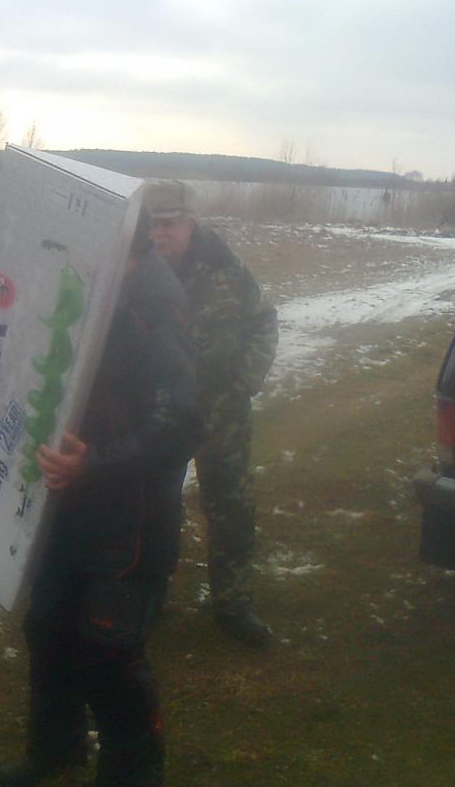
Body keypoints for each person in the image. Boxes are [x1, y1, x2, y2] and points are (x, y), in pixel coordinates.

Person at [0, 213, 201, 787]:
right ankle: (54, 750)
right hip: (65, 504)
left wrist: (94, 462)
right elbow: (29, 362)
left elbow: (180, 424)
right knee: (47, 629)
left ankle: (134, 773)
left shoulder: (155, 309)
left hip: (130, 521)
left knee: (109, 652)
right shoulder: (85, 285)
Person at [144, 180, 278, 647]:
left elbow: (263, 321)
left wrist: (244, 383)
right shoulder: (137, 272)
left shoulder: (225, 267)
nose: (160, 234)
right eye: (152, 224)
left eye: (169, 224)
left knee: (231, 510)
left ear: (190, 223)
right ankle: (148, 598)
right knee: (153, 510)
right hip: (158, 414)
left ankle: (233, 604)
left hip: (221, 412)